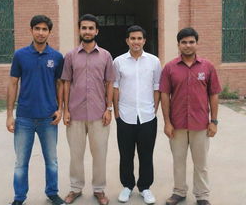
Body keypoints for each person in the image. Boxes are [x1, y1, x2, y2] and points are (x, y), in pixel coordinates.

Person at [6, 15, 64, 205]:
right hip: (24, 118)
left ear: (49, 32)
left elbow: (59, 84)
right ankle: (19, 198)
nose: (40, 32)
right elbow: (13, 84)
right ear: (31, 30)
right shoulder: (20, 55)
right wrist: (9, 115)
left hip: (48, 118)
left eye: (44, 29)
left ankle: (53, 193)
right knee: (21, 163)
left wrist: (60, 108)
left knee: (52, 161)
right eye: (37, 28)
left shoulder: (56, 57)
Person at [159, 27, 221, 205]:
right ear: (178, 44)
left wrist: (214, 121)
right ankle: (179, 192)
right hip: (177, 124)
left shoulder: (207, 67)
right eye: (184, 42)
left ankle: (202, 196)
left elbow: (213, 94)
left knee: (201, 163)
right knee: (178, 161)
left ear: (197, 44)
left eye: (191, 42)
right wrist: (167, 123)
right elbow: (164, 95)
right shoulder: (170, 68)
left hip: (201, 123)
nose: (188, 45)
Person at [62, 14, 115, 205]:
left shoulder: (106, 56)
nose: (87, 31)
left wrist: (108, 108)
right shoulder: (70, 56)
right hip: (75, 113)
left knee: (100, 154)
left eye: (91, 28)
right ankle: (75, 188)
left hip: (99, 114)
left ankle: (99, 189)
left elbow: (110, 83)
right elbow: (66, 83)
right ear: (79, 30)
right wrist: (65, 110)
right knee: (76, 154)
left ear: (96, 31)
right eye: (84, 28)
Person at [113, 25, 162, 204]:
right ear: (127, 41)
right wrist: (116, 113)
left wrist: (154, 109)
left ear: (144, 40)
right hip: (125, 115)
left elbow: (157, 87)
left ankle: (145, 187)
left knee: (146, 154)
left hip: (148, 116)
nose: (136, 42)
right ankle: (127, 186)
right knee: (126, 155)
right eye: (132, 38)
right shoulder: (118, 61)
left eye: (139, 38)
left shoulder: (154, 61)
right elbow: (115, 87)